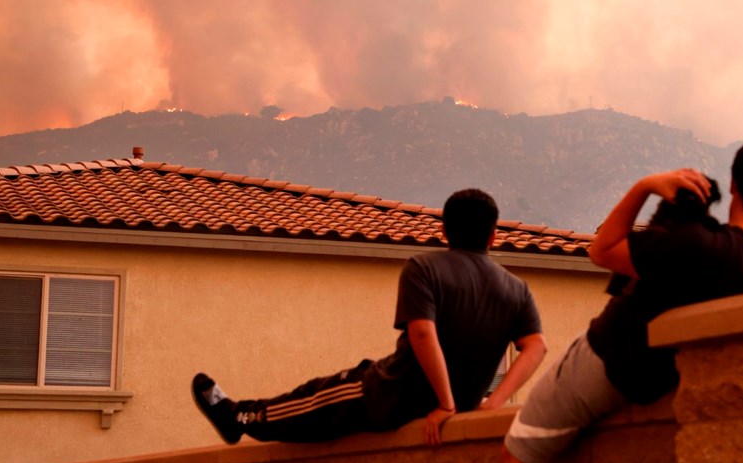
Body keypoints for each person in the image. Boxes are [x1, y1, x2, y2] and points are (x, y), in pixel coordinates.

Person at [502, 134, 743, 463]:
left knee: (520, 453)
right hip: (681, 379)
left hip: (615, 362)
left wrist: (645, 186)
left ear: (734, 184)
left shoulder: (697, 246)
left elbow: (602, 251)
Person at [193, 188, 548, 446]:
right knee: (324, 403)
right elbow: (536, 347)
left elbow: (423, 333)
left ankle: (238, 416)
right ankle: (238, 415)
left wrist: (445, 403)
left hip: (393, 395)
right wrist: (493, 403)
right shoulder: (517, 289)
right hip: (462, 406)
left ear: (444, 231)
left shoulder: (424, 267)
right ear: (493, 235)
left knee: (314, 399)